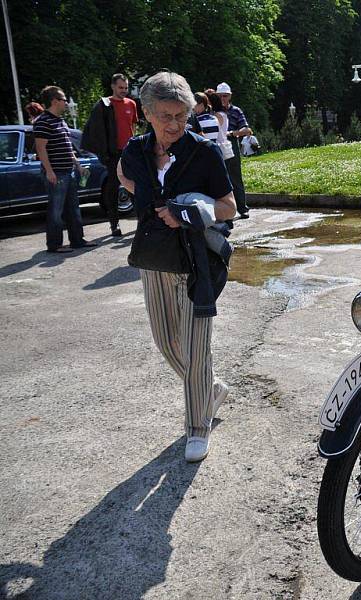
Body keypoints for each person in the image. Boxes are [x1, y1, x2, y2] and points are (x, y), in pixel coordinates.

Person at [117, 71, 236, 462]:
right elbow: (123, 176)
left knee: (196, 348)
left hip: (196, 261)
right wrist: (150, 193)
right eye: (165, 116)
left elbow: (228, 208)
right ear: (147, 114)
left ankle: (197, 426)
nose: (174, 125)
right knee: (167, 343)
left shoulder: (204, 152)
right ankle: (210, 390)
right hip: (155, 261)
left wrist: (184, 211)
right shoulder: (135, 152)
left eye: (181, 116)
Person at [34, 86, 96, 254]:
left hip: (68, 171)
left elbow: (67, 148)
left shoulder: (60, 121)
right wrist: (49, 171)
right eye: (63, 100)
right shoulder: (42, 121)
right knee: (56, 210)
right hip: (57, 173)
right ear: (54, 101)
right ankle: (54, 245)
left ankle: (77, 240)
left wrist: (78, 165)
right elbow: (41, 149)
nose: (67, 103)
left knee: (73, 208)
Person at [82, 73, 139, 237]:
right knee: (113, 187)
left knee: (135, 186)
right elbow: (96, 131)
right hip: (113, 154)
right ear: (113, 86)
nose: (124, 91)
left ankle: (142, 220)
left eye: (126, 87)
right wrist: (104, 153)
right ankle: (114, 224)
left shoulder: (132, 104)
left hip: (129, 152)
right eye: (121, 87)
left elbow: (132, 127)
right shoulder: (104, 105)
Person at [216, 82, 251, 218]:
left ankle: (242, 208)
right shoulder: (213, 111)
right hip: (216, 144)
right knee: (218, 178)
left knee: (235, 177)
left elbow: (246, 129)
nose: (222, 99)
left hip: (231, 143)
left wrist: (231, 133)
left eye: (225, 96)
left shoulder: (236, 111)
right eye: (220, 96)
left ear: (230, 96)